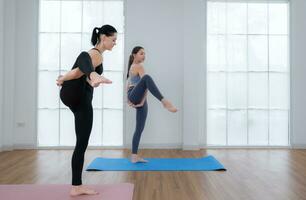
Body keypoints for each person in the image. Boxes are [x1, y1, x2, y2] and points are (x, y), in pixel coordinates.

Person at [56, 24, 117, 196]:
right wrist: (66, 78)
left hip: (71, 96)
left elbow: (77, 72)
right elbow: (76, 73)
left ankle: (77, 185)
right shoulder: (96, 55)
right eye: (113, 40)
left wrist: (63, 78)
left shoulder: (93, 56)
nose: (115, 43)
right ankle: (76, 186)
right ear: (103, 37)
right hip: (80, 98)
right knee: (81, 144)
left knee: (81, 144)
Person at [126, 46, 178, 163]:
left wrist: (140, 101)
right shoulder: (138, 66)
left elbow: (141, 86)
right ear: (134, 55)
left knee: (139, 128)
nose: (144, 56)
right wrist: (132, 100)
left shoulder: (133, 66)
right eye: (141, 53)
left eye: (145, 54)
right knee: (147, 77)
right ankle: (164, 101)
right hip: (135, 95)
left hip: (139, 97)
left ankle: (134, 156)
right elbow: (143, 83)